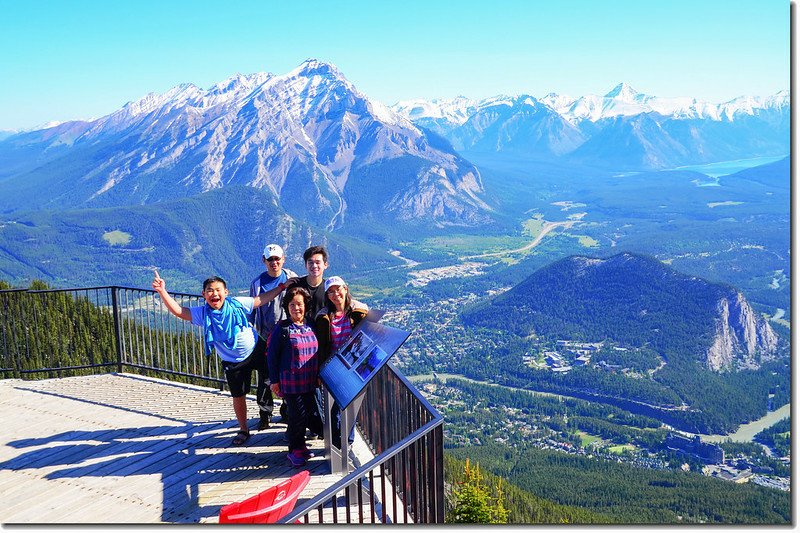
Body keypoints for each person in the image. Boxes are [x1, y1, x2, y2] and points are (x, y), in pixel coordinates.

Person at [152, 270, 294, 446]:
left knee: (279, 380)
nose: (214, 294)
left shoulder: (237, 303)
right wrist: (162, 292)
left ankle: (289, 418)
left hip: (257, 349)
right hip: (232, 361)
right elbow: (180, 311)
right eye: (210, 290)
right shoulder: (203, 313)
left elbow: (260, 300)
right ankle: (244, 429)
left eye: (218, 289)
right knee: (239, 395)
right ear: (203, 294)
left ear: (226, 292)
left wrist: (281, 287)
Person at [267, 285, 324, 467]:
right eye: (292, 305)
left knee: (308, 414)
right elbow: (272, 356)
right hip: (291, 382)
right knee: (297, 416)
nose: (296, 308)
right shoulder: (283, 329)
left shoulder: (311, 325)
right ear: (287, 307)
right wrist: (274, 381)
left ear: (306, 305)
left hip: (309, 381)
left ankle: (301, 447)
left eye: (299, 304)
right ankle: (294, 450)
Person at [314, 275, 369, 447]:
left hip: (354, 365)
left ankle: (346, 441)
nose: (335, 294)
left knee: (349, 405)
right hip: (333, 366)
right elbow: (321, 345)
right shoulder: (324, 316)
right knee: (335, 407)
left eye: (338, 289)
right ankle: (338, 440)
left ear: (345, 289)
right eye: (330, 291)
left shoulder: (359, 310)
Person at [249, 243, 297, 429]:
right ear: (264, 261)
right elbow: (252, 308)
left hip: (288, 336)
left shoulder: (292, 278)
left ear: (283, 259)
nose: (274, 263)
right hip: (264, 337)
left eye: (277, 259)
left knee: (288, 375)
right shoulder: (257, 284)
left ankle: (286, 411)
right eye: (270, 260)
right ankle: (265, 413)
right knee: (266, 377)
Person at [295, 245, 329, 321]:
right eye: (310, 262)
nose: (314, 266)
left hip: (321, 331)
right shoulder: (295, 286)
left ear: (325, 265)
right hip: (299, 330)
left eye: (318, 262)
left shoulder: (329, 289)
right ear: (305, 265)